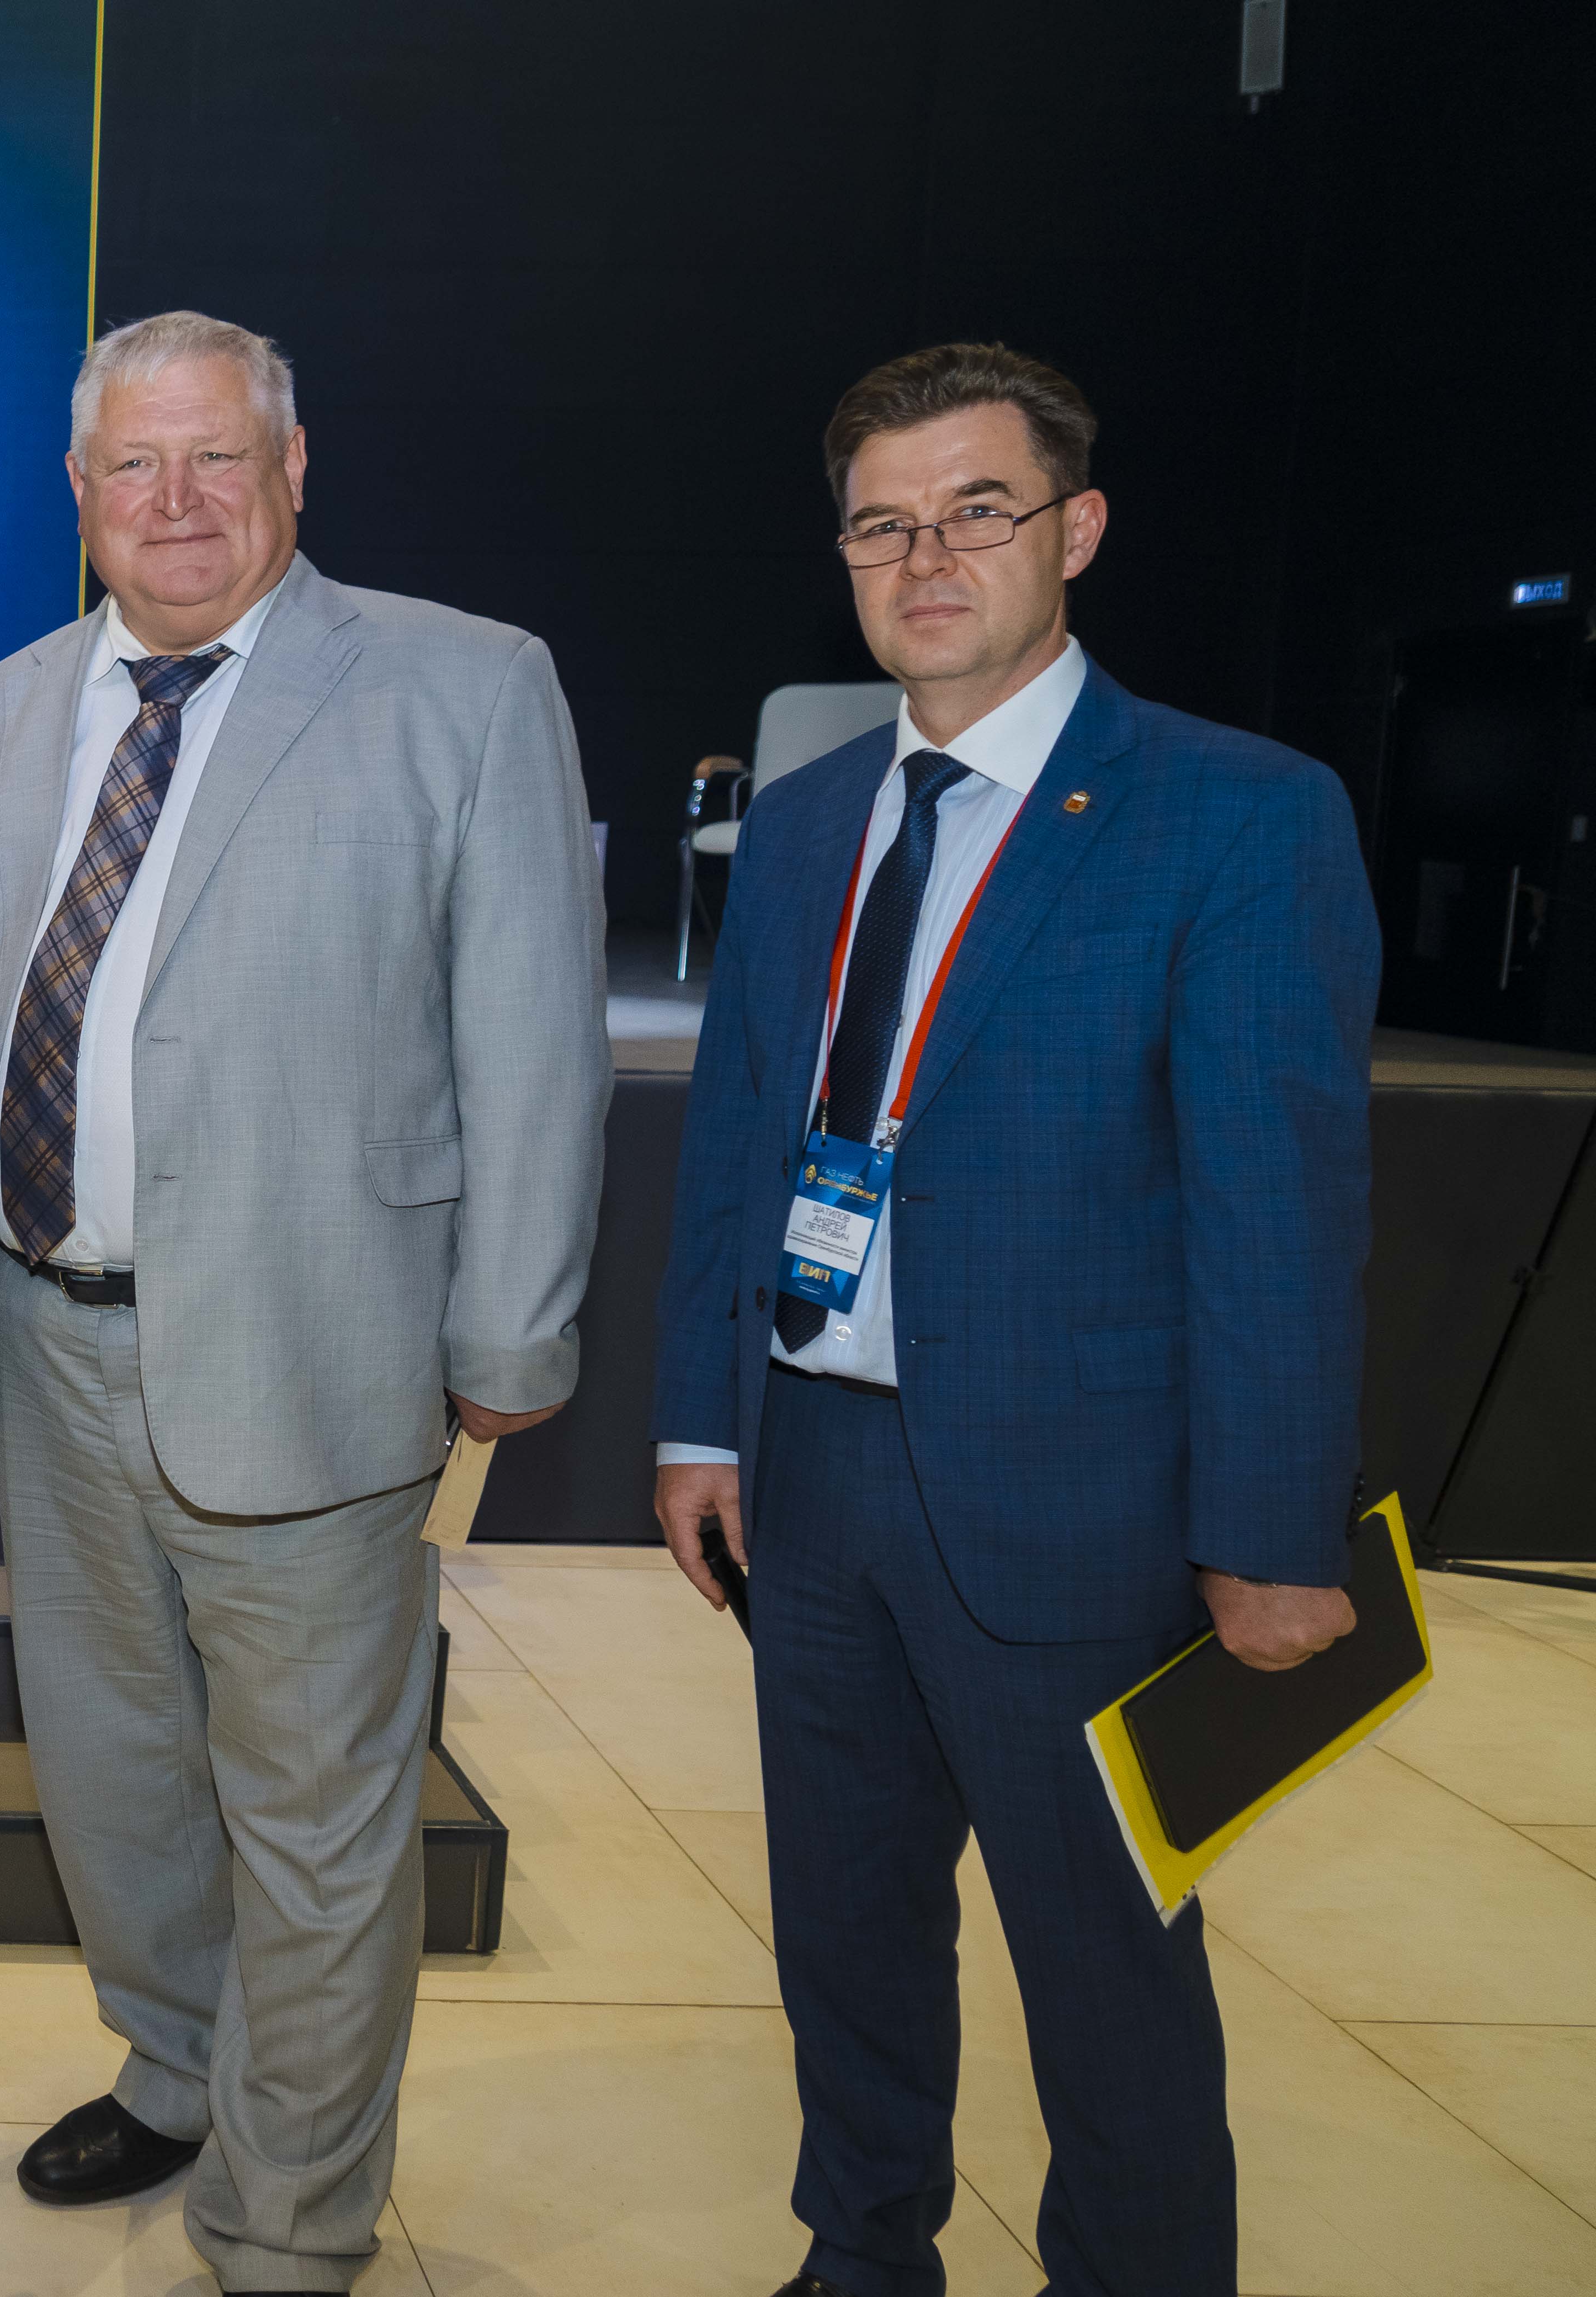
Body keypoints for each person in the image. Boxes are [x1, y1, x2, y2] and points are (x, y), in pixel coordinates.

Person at [0, 311, 608, 2297]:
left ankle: (289, 2214)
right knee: (113, 1772)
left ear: (295, 470)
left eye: (218, 458)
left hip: (313, 1342)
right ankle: (177, 2062)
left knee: (316, 1816)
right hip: (45, 1339)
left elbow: (536, 1037)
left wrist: (512, 1336)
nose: (177, 500)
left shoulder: (464, 687)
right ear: (79, 492)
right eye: (135, 464)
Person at [651, 343, 1377, 2297]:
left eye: (978, 509)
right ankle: (862, 2255)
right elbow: (740, 1137)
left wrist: (1273, 1530)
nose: (928, 558)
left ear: (1080, 528)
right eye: (882, 525)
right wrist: (701, 1421)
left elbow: (1279, 1206)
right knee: (845, 1936)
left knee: (1106, 1974)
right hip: (814, 1476)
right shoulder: (809, 821)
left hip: (1080, 1501)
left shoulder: (1236, 815)